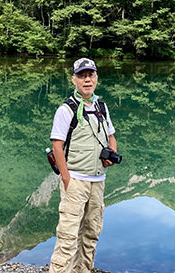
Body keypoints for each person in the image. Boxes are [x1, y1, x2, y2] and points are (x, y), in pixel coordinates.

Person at [49, 58, 117, 273]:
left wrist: (111, 154)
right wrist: (66, 179)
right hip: (76, 180)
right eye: (82, 75)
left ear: (96, 78)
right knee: (68, 236)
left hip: (98, 181)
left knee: (90, 234)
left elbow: (111, 135)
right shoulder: (66, 109)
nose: (87, 79)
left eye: (91, 75)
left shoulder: (101, 106)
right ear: (74, 80)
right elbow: (57, 146)